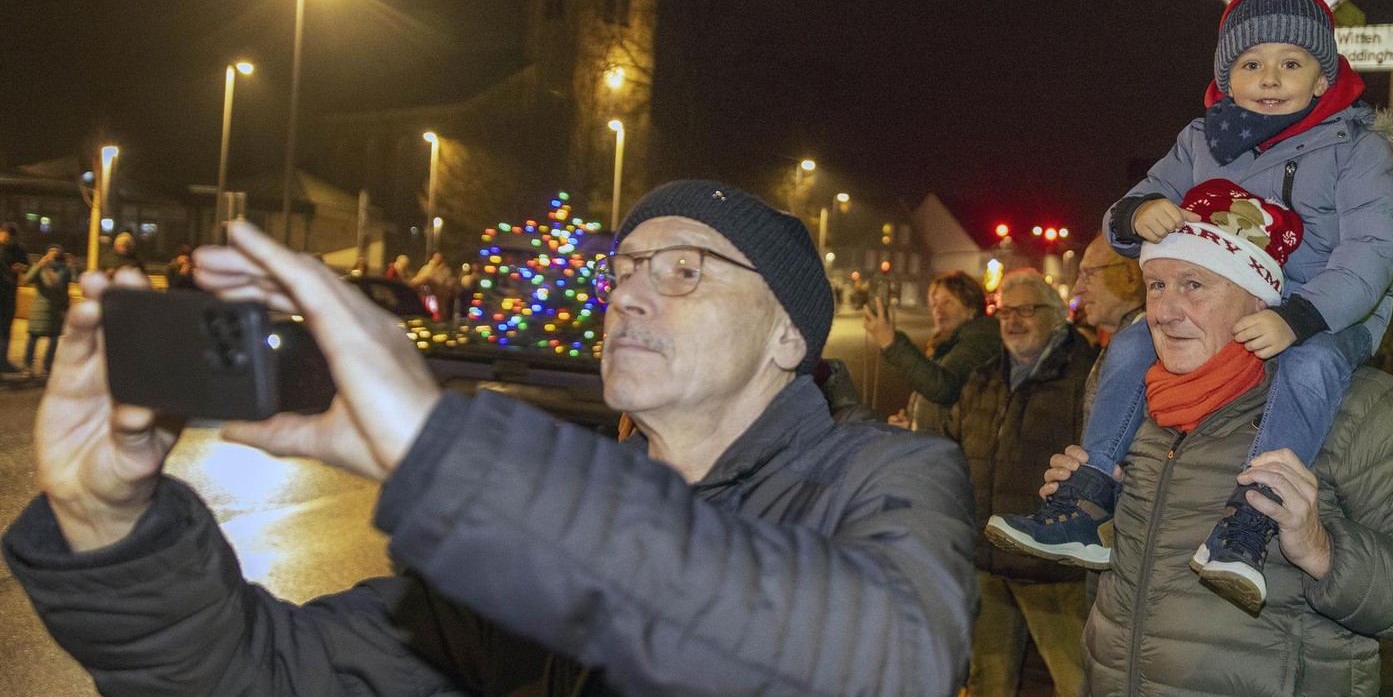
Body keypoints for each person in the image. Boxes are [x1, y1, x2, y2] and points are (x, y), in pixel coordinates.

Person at [3, 180, 979, 697]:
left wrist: (447, 449)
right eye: (623, 268)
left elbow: (890, 662)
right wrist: (112, 525)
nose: (629, 294)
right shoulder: (535, 541)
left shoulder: (889, 475)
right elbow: (267, 676)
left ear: (788, 337)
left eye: (684, 270)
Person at [988, 0, 1393, 610]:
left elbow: (1374, 249)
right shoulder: (1201, 141)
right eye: (1250, 63)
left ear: (1323, 78)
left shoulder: (1355, 150)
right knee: (1132, 342)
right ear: (1225, 77)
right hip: (1222, 302)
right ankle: (1089, 497)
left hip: (1326, 308)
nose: (1269, 78)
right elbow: (1123, 214)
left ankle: (1252, 522)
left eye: (1291, 62)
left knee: (1312, 366)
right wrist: (1141, 214)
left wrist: (1302, 317)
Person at [1029, 182, 1393, 695]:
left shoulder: (1365, 409)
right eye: (1156, 284)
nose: (1164, 311)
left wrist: (1322, 550)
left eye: (1194, 284)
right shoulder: (1130, 402)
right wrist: (1102, 512)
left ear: (1259, 300)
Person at [949, 269, 1095, 697]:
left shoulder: (1084, 377)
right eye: (1005, 312)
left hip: (1049, 563)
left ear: (1057, 314)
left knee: (1076, 682)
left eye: (1026, 310)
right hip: (987, 557)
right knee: (986, 681)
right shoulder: (983, 376)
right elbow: (956, 448)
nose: (1013, 320)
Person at [865, 270, 1001, 433]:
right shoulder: (949, 343)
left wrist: (892, 343)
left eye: (947, 302)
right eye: (934, 303)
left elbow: (943, 388)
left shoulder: (981, 339)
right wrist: (911, 420)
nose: (938, 309)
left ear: (971, 306)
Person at [22, 244, 74, 376]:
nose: (53, 254)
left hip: (56, 309)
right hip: (39, 309)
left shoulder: (64, 270)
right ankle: (28, 366)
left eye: (56, 251)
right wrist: (40, 265)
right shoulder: (40, 268)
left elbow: (62, 287)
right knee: (34, 338)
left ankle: (47, 366)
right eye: (51, 251)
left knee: (53, 339)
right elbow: (27, 279)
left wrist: (66, 308)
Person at [0, 221, 28, 373]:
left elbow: (27, 267)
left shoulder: (19, 250)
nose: (4, 239)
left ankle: (3, 361)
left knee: (5, 329)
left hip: (9, 294)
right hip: (6, 288)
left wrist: (23, 268)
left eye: (7, 237)